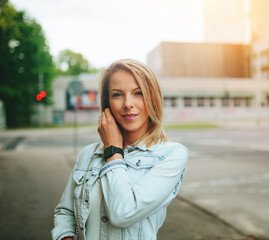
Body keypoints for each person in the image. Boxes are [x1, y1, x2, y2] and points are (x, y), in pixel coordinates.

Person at [51, 59, 188, 240]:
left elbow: (123, 213)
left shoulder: (171, 155)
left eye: (138, 93)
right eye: (117, 95)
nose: (127, 104)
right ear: (107, 103)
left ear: (152, 97)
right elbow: (65, 212)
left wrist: (113, 151)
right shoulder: (88, 154)